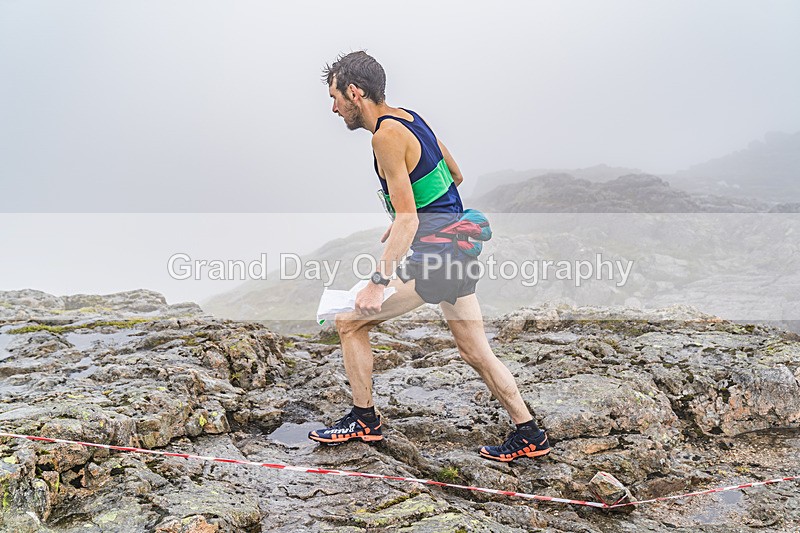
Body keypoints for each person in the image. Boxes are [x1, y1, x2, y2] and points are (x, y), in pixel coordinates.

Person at [308, 51, 550, 462]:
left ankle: (364, 420)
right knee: (476, 352)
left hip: (435, 259)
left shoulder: (384, 137)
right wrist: (417, 212)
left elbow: (407, 222)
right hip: (457, 251)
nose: (333, 108)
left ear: (354, 92)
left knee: (349, 322)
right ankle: (529, 433)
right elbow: (454, 176)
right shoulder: (411, 118)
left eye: (335, 97)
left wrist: (377, 282)